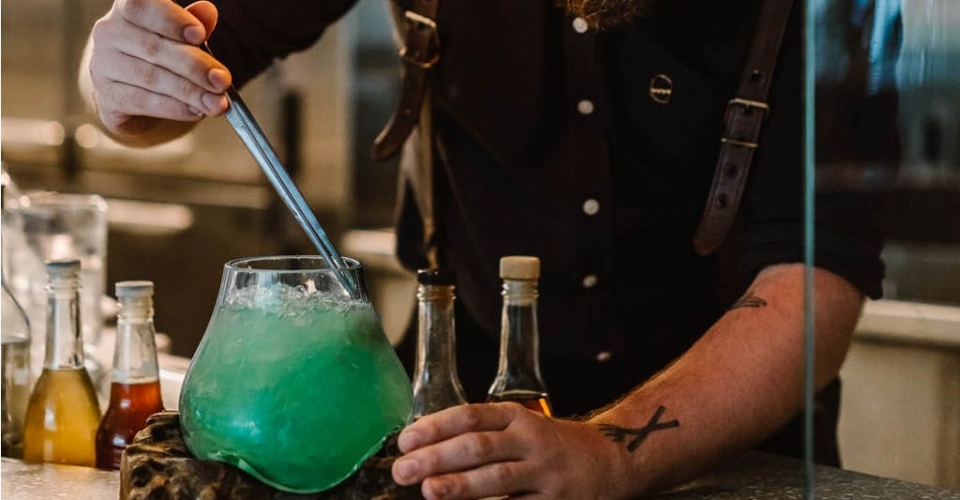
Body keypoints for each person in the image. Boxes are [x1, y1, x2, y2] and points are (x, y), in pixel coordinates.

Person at [79, 0, 900, 498]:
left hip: (728, 460)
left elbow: (814, 281)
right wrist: (118, 73)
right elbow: (166, 77)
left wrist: (612, 458)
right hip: (450, 442)